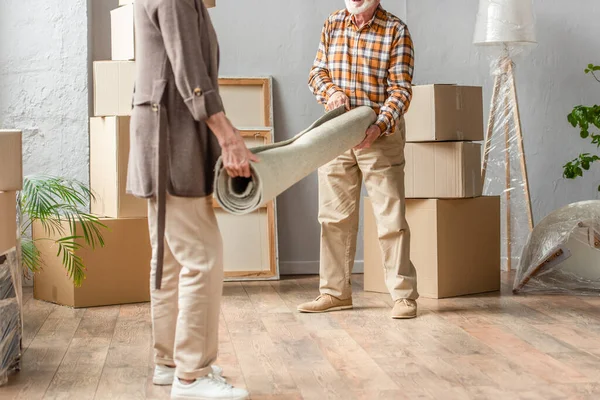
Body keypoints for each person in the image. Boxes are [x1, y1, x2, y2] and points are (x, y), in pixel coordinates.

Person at [126, 0, 255, 398]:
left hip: (160, 134)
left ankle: (169, 364)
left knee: (168, 259)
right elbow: (190, 73)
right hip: (172, 139)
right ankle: (192, 376)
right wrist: (228, 136)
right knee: (203, 255)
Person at [297, 0, 419, 319]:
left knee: (390, 218)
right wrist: (331, 92)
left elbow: (401, 90)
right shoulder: (332, 23)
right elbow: (317, 73)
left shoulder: (395, 30)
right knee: (333, 217)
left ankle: (404, 296)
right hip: (337, 132)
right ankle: (334, 293)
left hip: (380, 134)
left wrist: (379, 126)